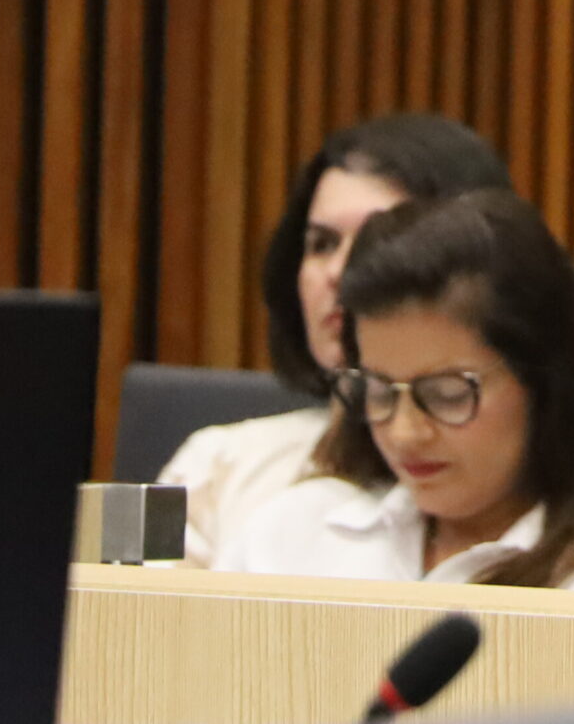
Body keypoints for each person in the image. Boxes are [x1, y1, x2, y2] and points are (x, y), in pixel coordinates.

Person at [218, 189, 574, 586]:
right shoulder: (292, 533)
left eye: (447, 395)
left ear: (543, 379)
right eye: (379, 391)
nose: (405, 433)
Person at [157, 113, 514, 566]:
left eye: (375, 241)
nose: (338, 272)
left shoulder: (537, 508)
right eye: (322, 244)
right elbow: (115, 596)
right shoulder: (212, 463)